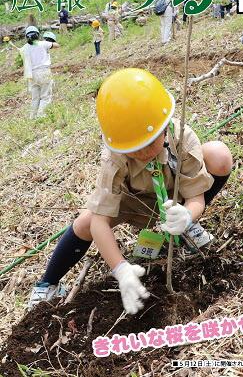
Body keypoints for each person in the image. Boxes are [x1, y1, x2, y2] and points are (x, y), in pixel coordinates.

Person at [29, 68, 232, 314]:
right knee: (85, 222)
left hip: (174, 195)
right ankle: (47, 284)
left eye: (149, 143)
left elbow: (196, 198)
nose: (144, 154)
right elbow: (100, 222)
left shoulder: (182, 138)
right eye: (134, 149)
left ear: (165, 127)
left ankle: (186, 227)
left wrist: (188, 214)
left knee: (219, 155)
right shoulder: (114, 157)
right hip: (133, 201)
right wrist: (121, 269)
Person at [20, 26, 60, 119]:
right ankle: (41, 116)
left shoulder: (24, 48)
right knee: (45, 96)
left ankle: (32, 117)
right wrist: (48, 41)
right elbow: (57, 45)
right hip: (44, 72)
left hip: (31, 74)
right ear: (37, 35)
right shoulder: (43, 44)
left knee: (35, 98)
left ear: (27, 37)